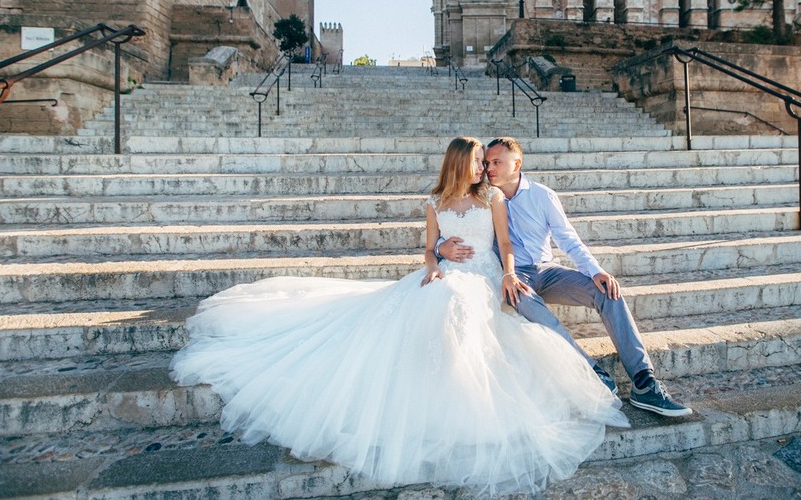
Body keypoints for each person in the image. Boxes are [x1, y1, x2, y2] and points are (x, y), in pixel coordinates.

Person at [171, 137, 627, 496]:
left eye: (486, 163)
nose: (483, 169)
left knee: (457, 307)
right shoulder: (434, 204)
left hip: (486, 275)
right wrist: (437, 262)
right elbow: (428, 251)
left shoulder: (493, 200)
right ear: (459, 165)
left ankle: (459, 389)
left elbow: (506, 245)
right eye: (476, 162)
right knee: (433, 300)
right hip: (449, 272)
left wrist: (509, 275)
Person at [439, 137, 692, 418]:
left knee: (608, 292)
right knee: (524, 299)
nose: (489, 169)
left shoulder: (542, 195)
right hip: (512, 275)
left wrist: (596, 270)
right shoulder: (482, 196)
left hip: (547, 270)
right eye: (486, 163)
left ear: (517, 164)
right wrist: (440, 247)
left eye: (496, 162)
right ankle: (591, 373)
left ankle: (644, 382)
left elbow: (568, 239)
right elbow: (451, 224)